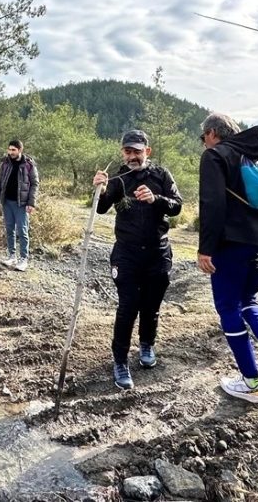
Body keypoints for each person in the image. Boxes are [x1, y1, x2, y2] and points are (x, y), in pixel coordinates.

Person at [196, 113, 258, 405]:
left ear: (213, 133)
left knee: (228, 305)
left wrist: (206, 248)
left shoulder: (216, 155)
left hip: (235, 243)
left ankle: (253, 384)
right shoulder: (257, 156)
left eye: (203, 138)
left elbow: (212, 204)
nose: (204, 144)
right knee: (249, 299)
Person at [92, 130, 183, 390]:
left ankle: (146, 345)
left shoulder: (162, 175)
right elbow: (100, 208)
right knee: (128, 306)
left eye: (137, 151)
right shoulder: (119, 179)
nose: (132, 156)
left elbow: (177, 205)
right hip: (127, 254)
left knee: (151, 306)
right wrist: (100, 187)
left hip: (158, 252)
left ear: (147, 152)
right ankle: (120, 361)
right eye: (128, 151)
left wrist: (156, 199)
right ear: (123, 152)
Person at [0, 139, 39, 271]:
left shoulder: (28, 165)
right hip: (7, 202)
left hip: (21, 204)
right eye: (9, 149)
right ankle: (12, 256)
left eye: (13, 150)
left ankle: (24, 259)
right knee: (9, 229)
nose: (10, 152)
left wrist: (31, 203)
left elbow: (35, 184)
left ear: (20, 150)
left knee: (22, 231)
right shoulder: (5, 164)